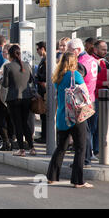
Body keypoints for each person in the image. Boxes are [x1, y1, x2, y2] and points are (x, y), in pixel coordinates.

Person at [46, 52, 94, 188]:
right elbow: (85, 94)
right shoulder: (76, 75)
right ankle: (78, 180)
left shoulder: (57, 77)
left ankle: (52, 176)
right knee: (80, 148)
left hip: (62, 116)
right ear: (74, 62)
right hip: (76, 116)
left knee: (61, 147)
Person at [68, 38, 98, 167]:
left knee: (83, 132)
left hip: (82, 101)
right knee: (88, 131)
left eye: (70, 51)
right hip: (92, 98)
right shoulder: (92, 60)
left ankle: (85, 159)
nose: (68, 54)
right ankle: (86, 158)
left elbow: (76, 83)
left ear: (77, 50)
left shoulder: (80, 63)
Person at [2, 44, 36, 156]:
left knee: (17, 124)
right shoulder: (27, 65)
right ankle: (32, 148)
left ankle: (21, 149)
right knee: (25, 123)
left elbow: (5, 84)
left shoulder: (8, 67)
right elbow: (31, 80)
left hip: (13, 98)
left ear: (10, 55)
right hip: (26, 98)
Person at [92, 39, 109, 156]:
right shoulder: (91, 61)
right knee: (94, 126)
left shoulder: (105, 62)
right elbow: (90, 80)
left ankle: (98, 149)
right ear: (95, 49)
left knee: (102, 125)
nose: (106, 51)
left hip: (105, 97)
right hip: (95, 97)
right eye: (103, 49)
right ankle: (93, 150)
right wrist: (104, 83)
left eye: (106, 49)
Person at [0, 43, 14, 151]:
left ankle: (6, 141)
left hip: (4, 96)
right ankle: (9, 141)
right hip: (12, 97)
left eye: (5, 52)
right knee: (9, 120)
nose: (3, 54)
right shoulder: (18, 63)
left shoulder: (6, 65)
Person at [34, 41, 47, 144]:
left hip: (45, 91)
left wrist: (37, 77)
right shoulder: (43, 60)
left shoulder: (47, 60)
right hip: (41, 90)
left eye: (37, 49)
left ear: (42, 49)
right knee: (43, 114)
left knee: (45, 114)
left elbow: (45, 75)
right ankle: (44, 135)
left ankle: (46, 136)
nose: (37, 51)